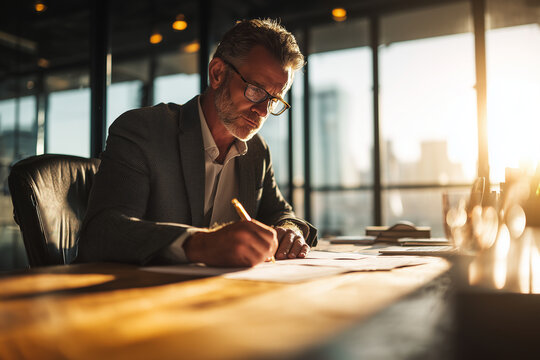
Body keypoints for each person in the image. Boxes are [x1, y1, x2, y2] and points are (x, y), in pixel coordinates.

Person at [77, 18, 317, 267]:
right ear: (217, 73)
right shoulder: (143, 131)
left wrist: (290, 230)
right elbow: (102, 234)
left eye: (274, 100)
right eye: (256, 90)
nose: (264, 111)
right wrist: (201, 244)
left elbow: (280, 213)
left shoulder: (257, 151)